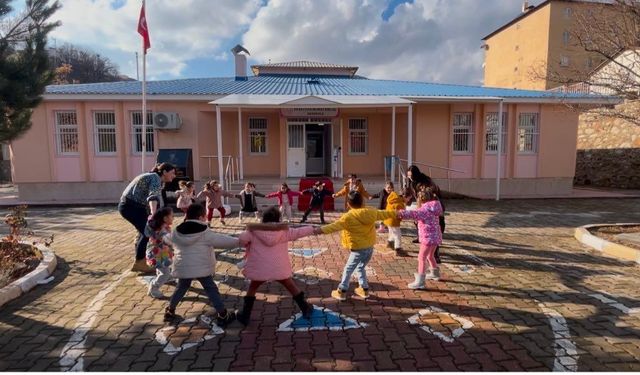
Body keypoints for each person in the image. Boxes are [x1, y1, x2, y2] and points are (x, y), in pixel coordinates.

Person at [236, 206, 316, 326]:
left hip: (260, 269)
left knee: (252, 288)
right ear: (279, 219)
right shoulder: (284, 231)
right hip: (279, 268)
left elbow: (242, 239)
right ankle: (305, 308)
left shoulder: (253, 232)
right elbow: (299, 232)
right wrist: (313, 229)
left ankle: (245, 315)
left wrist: (247, 232)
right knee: (290, 285)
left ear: (263, 219)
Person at [163, 203, 240, 326]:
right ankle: (223, 314)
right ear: (200, 217)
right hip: (202, 268)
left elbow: (166, 239)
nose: (205, 218)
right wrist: (239, 241)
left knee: (181, 288)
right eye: (204, 216)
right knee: (211, 289)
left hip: (183, 268)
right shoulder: (205, 232)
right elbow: (223, 240)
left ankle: (170, 311)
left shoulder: (176, 231)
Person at [315, 191, 397, 301]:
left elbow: (333, 227)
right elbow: (385, 213)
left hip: (358, 249)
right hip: (369, 248)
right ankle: (364, 289)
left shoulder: (348, 217)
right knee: (360, 267)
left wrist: (319, 230)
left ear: (348, 204)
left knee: (348, 269)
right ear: (362, 201)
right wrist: (397, 212)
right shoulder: (371, 212)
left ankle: (342, 291)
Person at [118, 162, 176, 273]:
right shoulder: (155, 178)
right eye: (172, 173)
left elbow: (157, 198)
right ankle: (140, 262)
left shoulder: (153, 177)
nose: (174, 176)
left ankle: (140, 257)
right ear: (164, 172)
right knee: (147, 232)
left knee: (144, 232)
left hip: (133, 206)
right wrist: (154, 215)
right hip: (130, 207)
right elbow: (152, 197)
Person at [398, 188, 443, 289]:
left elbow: (412, 214)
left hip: (427, 238)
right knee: (430, 256)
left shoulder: (424, 210)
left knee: (421, 257)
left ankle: (420, 281)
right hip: (435, 237)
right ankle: (435, 273)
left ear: (420, 199)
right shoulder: (433, 207)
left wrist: (400, 213)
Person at [144, 207, 175, 299]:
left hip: (160, 254)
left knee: (162, 268)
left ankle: (165, 278)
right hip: (158, 255)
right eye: (172, 216)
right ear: (165, 218)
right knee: (165, 273)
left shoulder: (161, 226)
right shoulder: (162, 230)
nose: (173, 218)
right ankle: (154, 287)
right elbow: (169, 240)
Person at [382, 181, 406, 254]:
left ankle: (390, 243)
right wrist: (400, 218)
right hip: (393, 220)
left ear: (392, 188)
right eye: (387, 188)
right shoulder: (397, 199)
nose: (389, 189)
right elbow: (401, 212)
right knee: (397, 234)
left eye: (390, 188)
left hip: (388, 219)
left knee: (392, 232)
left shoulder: (390, 197)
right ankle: (398, 248)